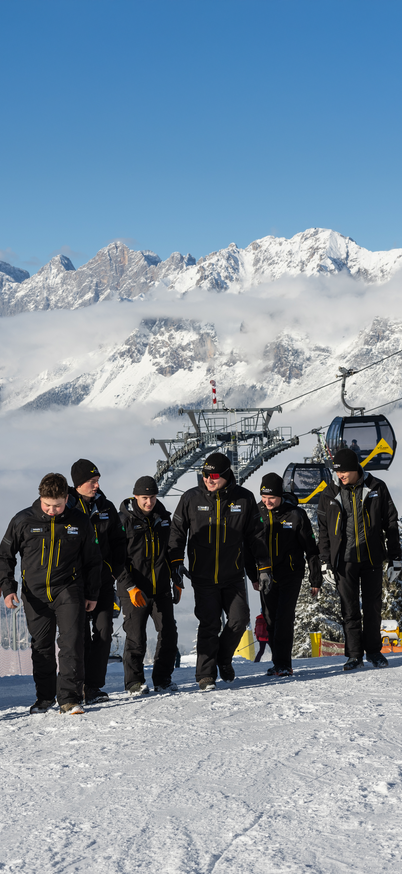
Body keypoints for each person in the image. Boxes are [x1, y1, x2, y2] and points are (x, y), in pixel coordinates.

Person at [0, 473, 102, 714]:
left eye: (57, 505)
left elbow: (93, 560)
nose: (52, 510)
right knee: (42, 647)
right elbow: (5, 555)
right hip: (34, 594)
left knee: (72, 643)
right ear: (40, 498)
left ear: (66, 498)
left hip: (68, 590)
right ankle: (44, 698)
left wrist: (92, 594)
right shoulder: (23, 520)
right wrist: (8, 588)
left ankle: (69, 698)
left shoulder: (80, 521)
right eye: (47, 505)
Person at [168, 452, 270, 691]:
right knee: (209, 623)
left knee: (239, 619)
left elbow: (256, 536)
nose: (208, 479)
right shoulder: (191, 498)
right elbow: (177, 531)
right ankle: (205, 675)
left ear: (226, 475)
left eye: (213, 476)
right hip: (203, 575)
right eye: (205, 475)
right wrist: (176, 561)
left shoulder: (243, 498)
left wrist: (263, 567)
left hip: (233, 574)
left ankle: (223, 659)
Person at [317, 447, 401, 671]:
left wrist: (396, 557)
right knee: (349, 608)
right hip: (344, 561)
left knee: (373, 607)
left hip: (371, 557)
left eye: (343, 471)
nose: (340, 475)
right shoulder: (329, 493)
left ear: (355, 469)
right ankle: (354, 655)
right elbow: (323, 531)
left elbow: (391, 522)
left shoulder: (376, 487)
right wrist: (324, 561)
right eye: (337, 472)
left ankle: (373, 651)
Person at [245, 472, 322, 677]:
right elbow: (247, 549)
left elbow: (311, 549)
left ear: (280, 495)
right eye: (264, 497)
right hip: (265, 575)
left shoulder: (296, 515)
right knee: (270, 619)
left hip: (291, 574)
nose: (267, 501)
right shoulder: (255, 514)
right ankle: (277, 662)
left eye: (272, 497)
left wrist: (315, 578)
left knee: (284, 618)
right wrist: (253, 576)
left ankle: (284, 664)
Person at [67, 459, 126, 704]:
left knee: (104, 632)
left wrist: (111, 571)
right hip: (75, 584)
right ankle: (77, 686)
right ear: (78, 483)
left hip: (102, 581)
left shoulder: (106, 507)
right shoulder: (66, 506)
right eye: (92, 481)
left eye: (98, 480)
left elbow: (120, 543)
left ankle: (93, 687)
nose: (97, 485)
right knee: (78, 636)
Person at [118, 475, 178, 695]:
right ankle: (134, 682)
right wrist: (130, 586)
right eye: (144, 498)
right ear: (135, 496)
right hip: (134, 589)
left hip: (160, 587)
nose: (149, 502)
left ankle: (162, 679)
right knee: (136, 637)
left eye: (152, 497)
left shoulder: (163, 518)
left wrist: (176, 579)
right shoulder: (123, 521)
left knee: (169, 633)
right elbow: (118, 559)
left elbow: (170, 551)